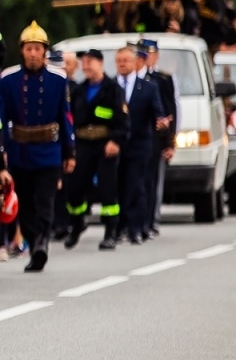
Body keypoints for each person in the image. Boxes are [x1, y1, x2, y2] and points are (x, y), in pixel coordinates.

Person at [0, 23, 75, 272]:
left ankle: (42, 243)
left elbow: (66, 118)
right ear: (22, 51)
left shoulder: (58, 79)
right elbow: (0, 117)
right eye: (28, 49)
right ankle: (32, 238)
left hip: (49, 151)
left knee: (45, 201)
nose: (32, 53)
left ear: (44, 52)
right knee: (26, 204)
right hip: (20, 151)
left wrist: (69, 151)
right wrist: (2, 151)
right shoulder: (8, 80)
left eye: (37, 49)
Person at [63, 49, 128, 249]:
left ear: (100, 63)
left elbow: (123, 121)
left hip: (104, 144)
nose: (85, 66)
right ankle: (77, 223)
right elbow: (69, 120)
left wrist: (115, 141)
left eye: (90, 62)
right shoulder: (78, 91)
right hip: (83, 144)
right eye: (83, 62)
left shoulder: (113, 89)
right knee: (74, 188)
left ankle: (110, 232)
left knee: (108, 190)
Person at [115, 44, 165, 244]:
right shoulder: (111, 86)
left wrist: (161, 121)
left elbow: (157, 111)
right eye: (119, 61)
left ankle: (137, 227)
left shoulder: (148, 87)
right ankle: (119, 227)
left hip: (140, 144)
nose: (122, 65)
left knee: (137, 186)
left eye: (126, 61)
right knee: (118, 186)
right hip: (118, 145)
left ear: (135, 62)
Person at [140, 39, 178, 237]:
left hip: (156, 138)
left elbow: (170, 111)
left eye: (149, 54)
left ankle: (151, 220)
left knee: (153, 181)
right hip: (138, 138)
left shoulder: (163, 79)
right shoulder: (131, 79)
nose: (145, 58)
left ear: (156, 56)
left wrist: (170, 142)